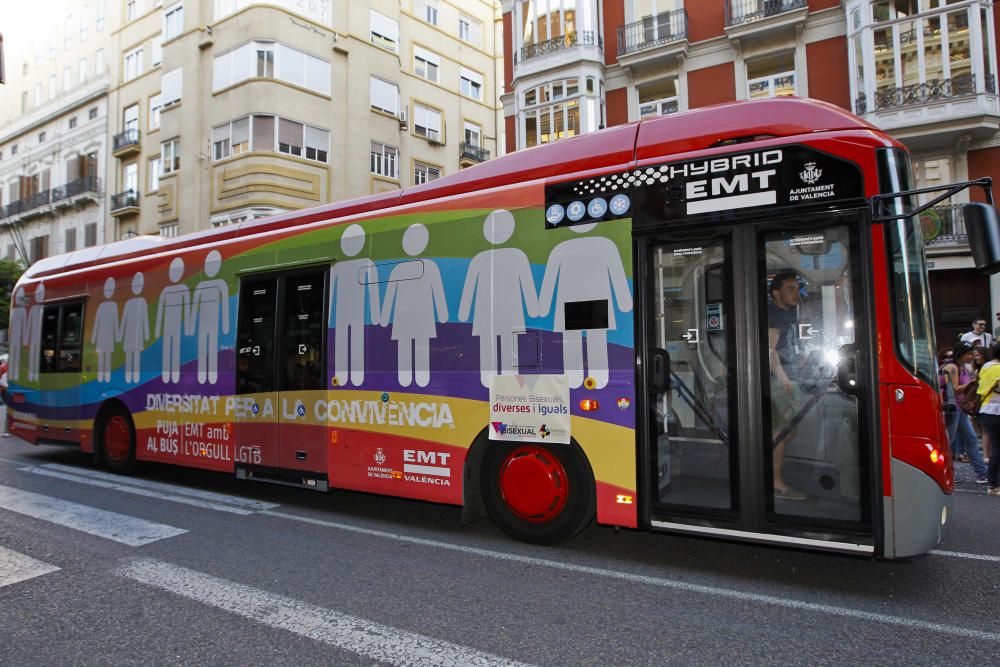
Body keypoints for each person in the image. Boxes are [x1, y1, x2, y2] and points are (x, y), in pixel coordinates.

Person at [767, 271, 807, 501]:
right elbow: (771, 351)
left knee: (788, 431)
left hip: (788, 379)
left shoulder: (787, 314)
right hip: (779, 383)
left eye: (797, 288)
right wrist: (784, 380)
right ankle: (775, 483)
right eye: (789, 288)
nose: (795, 292)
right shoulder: (775, 314)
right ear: (776, 293)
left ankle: (768, 466)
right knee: (780, 433)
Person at [941, 342, 988, 482]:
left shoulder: (962, 368)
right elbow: (955, 389)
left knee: (971, 439)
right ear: (961, 354)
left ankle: (982, 474)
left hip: (959, 408)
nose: (971, 356)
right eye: (969, 354)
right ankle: (945, 473)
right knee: (949, 442)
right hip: (952, 408)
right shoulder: (952, 367)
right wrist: (972, 382)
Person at [976, 342, 1000, 495]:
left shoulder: (986, 367)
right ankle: (993, 484)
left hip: (986, 410)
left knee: (996, 447)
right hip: (998, 411)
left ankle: (993, 483)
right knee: (997, 448)